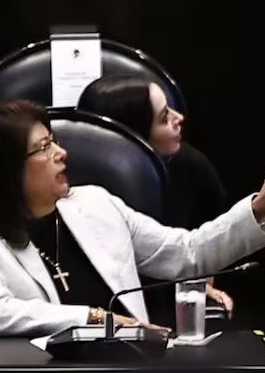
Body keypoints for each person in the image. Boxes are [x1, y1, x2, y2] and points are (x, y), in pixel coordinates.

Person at [0, 100, 265, 337]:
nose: (62, 153)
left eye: (54, 141)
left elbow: (189, 253)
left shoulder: (96, 204)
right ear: (6, 170)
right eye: (44, 147)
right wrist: (96, 319)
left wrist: (256, 211)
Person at [77, 75, 235, 314]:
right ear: (134, 132)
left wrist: (200, 285)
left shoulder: (191, 165)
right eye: (164, 118)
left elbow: (208, 244)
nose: (179, 118)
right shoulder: (79, 192)